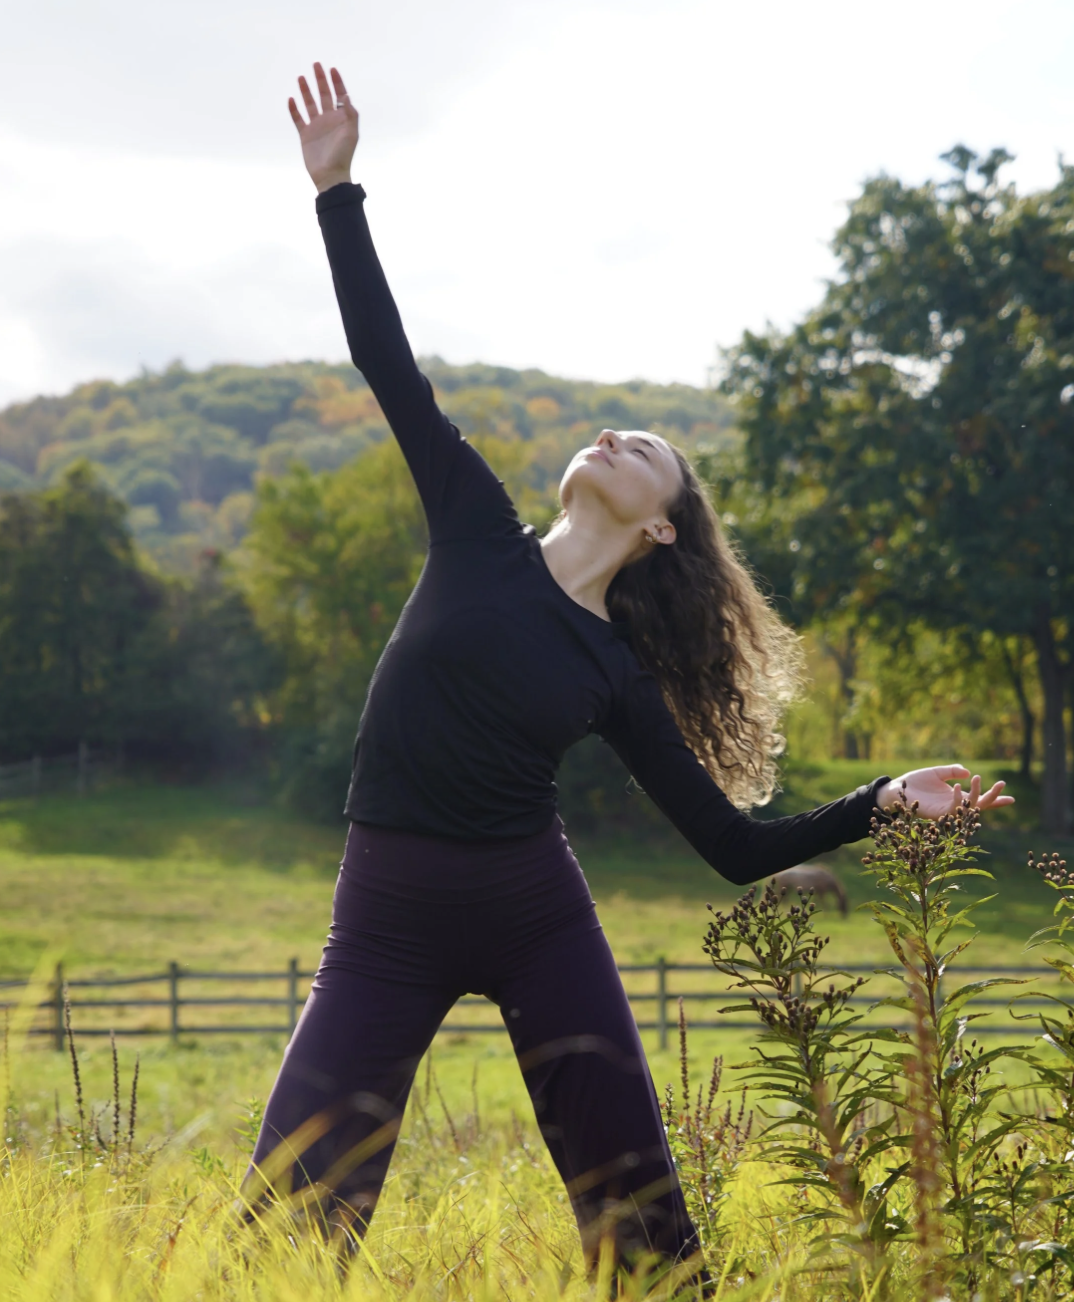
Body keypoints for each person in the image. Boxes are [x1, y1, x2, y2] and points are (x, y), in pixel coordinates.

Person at [244, 60, 1015, 1291]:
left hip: (536, 915)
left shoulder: (612, 673)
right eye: (612, 431)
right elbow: (388, 362)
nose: (612, 433)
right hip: (383, 917)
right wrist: (338, 191)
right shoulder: (474, 527)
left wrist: (879, 803)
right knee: (292, 1205)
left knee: (637, 1209)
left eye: (643, 447)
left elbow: (735, 846)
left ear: (661, 525)